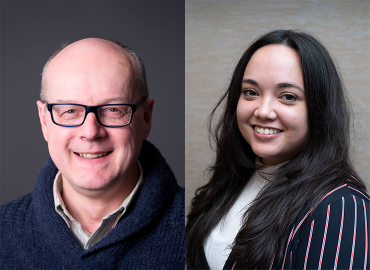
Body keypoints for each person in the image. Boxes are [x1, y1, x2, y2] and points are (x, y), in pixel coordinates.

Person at [186, 30, 370, 270]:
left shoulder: (341, 206)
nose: (263, 111)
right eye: (251, 92)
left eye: (288, 96)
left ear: (319, 109)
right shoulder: (234, 179)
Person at [0, 38, 184, 269]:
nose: (91, 132)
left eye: (113, 109)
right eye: (69, 110)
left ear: (146, 118)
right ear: (44, 120)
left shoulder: (199, 227)